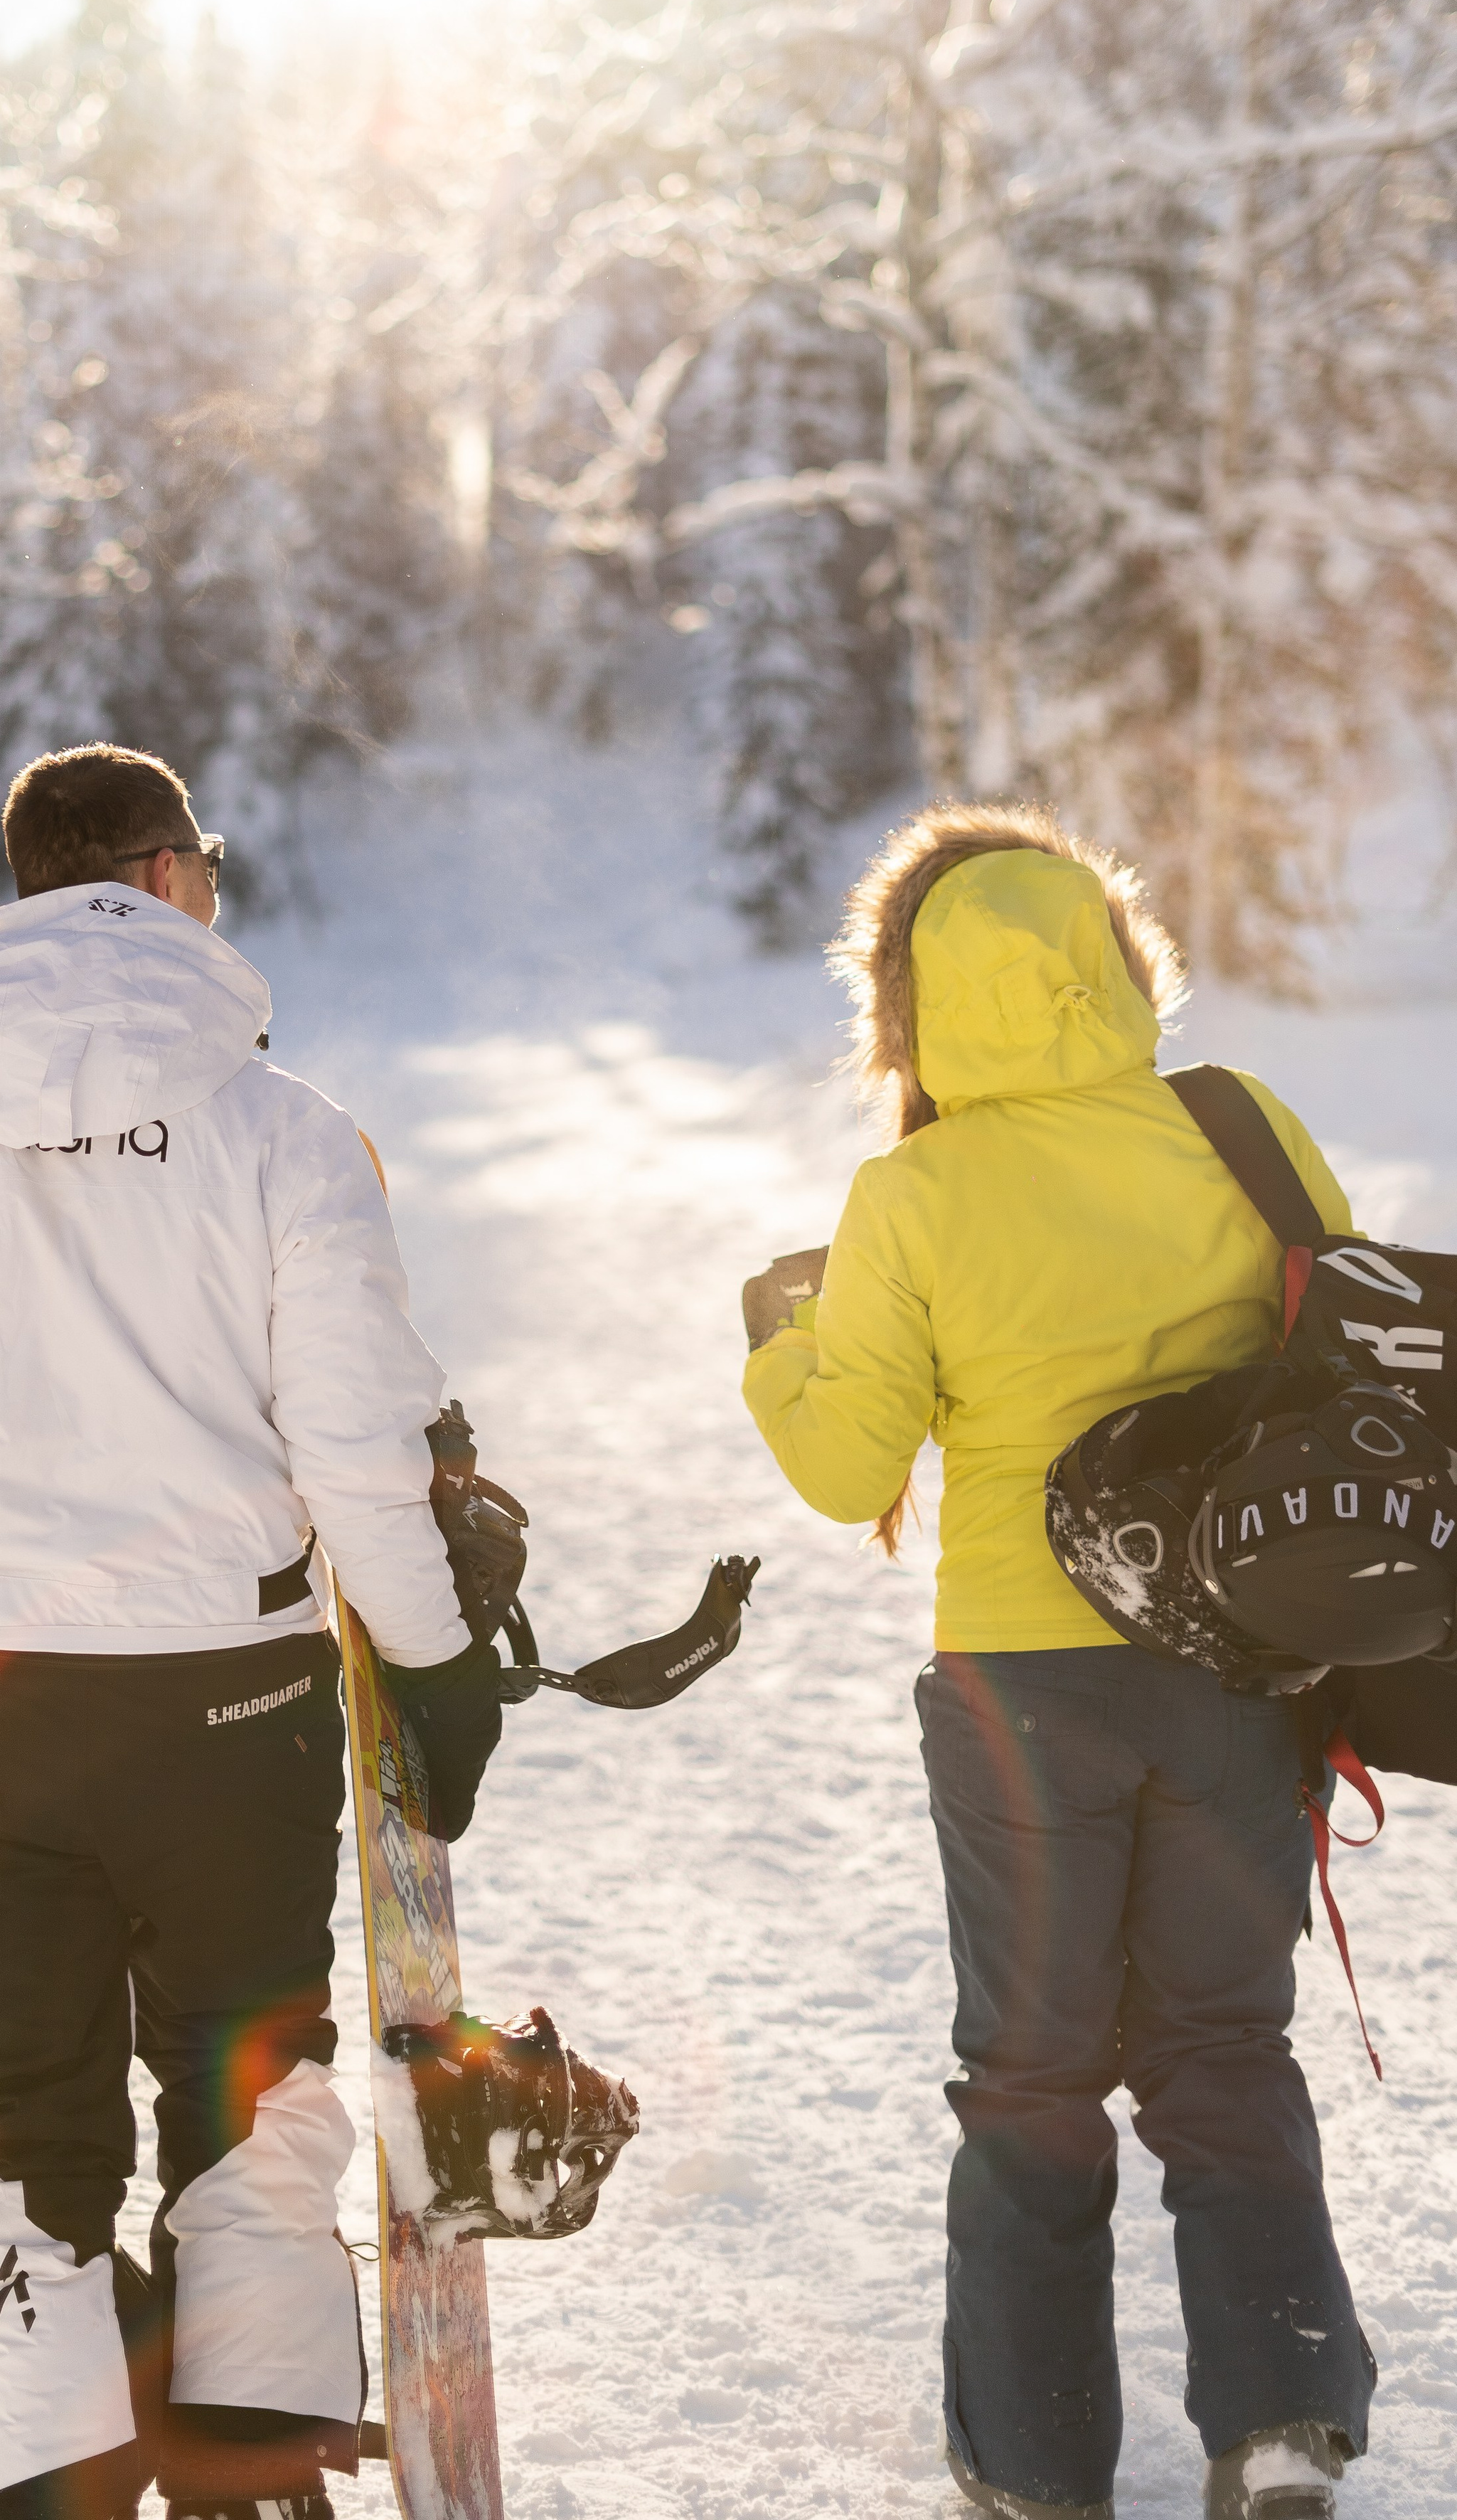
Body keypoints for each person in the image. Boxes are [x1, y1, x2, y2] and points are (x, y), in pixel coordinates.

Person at [0, 742, 501, 2520]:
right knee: (246, 2092)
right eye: (209, 861)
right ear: (164, 880)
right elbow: (357, 1456)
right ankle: (247, 2478)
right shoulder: (286, 1129)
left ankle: (46, 2486)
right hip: (225, 1707)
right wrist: (438, 1675)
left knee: (19, 2121)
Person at [741, 806, 1374, 2520]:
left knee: (1029, 2072)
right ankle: (1276, 2425)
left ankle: (1029, 2467)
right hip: (1231, 1665)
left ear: (914, 1006)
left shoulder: (914, 1191)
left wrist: (783, 1343)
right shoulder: (1233, 1133)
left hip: (1021, 1680)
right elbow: (1345, 1348)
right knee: (1224, 2047)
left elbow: (838, 1468)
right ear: (1112, 957)